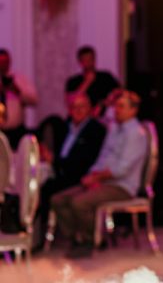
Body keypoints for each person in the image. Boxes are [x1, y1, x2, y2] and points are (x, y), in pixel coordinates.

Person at [50, 90, 147, 258]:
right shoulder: (115, 129)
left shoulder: (136, 134)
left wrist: (96, 178)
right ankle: (77, 238)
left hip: (122, 186)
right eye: (116, 106)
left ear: (133, 110)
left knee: (79, 203)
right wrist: (92, 175)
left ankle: (88, 241)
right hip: (104, 181)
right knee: (58, 200)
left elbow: (121, 170)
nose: (117, 110)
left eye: (122, 106)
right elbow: (103, 157)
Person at [38, 93, 106, 229]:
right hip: (61, 172)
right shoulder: (65, 128)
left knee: (46, 190)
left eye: (82, 106)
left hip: (80, 176)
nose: (78, 110)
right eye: (74, 107)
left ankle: (45, 230)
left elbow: (84, 161)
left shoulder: (95, 130)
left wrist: (55, 161)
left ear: (90, 109)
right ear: (69, 109)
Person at [65, 46, 120, 116]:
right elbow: (71, 102)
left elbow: (119, 92)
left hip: (102, 118)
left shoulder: (106, 76)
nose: (89, 62)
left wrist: (107, 101)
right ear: (80, 62)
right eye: (85, 60)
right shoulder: (73, 81)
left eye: (91, 59)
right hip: (80, 117)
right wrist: (87, 82)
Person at [0, 48, 38, 149]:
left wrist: (17, 91)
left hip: (16, 132)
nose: (3, 64)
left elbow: (34, 100)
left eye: (5, 61)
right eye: (1, 61)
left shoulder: (19, 79)